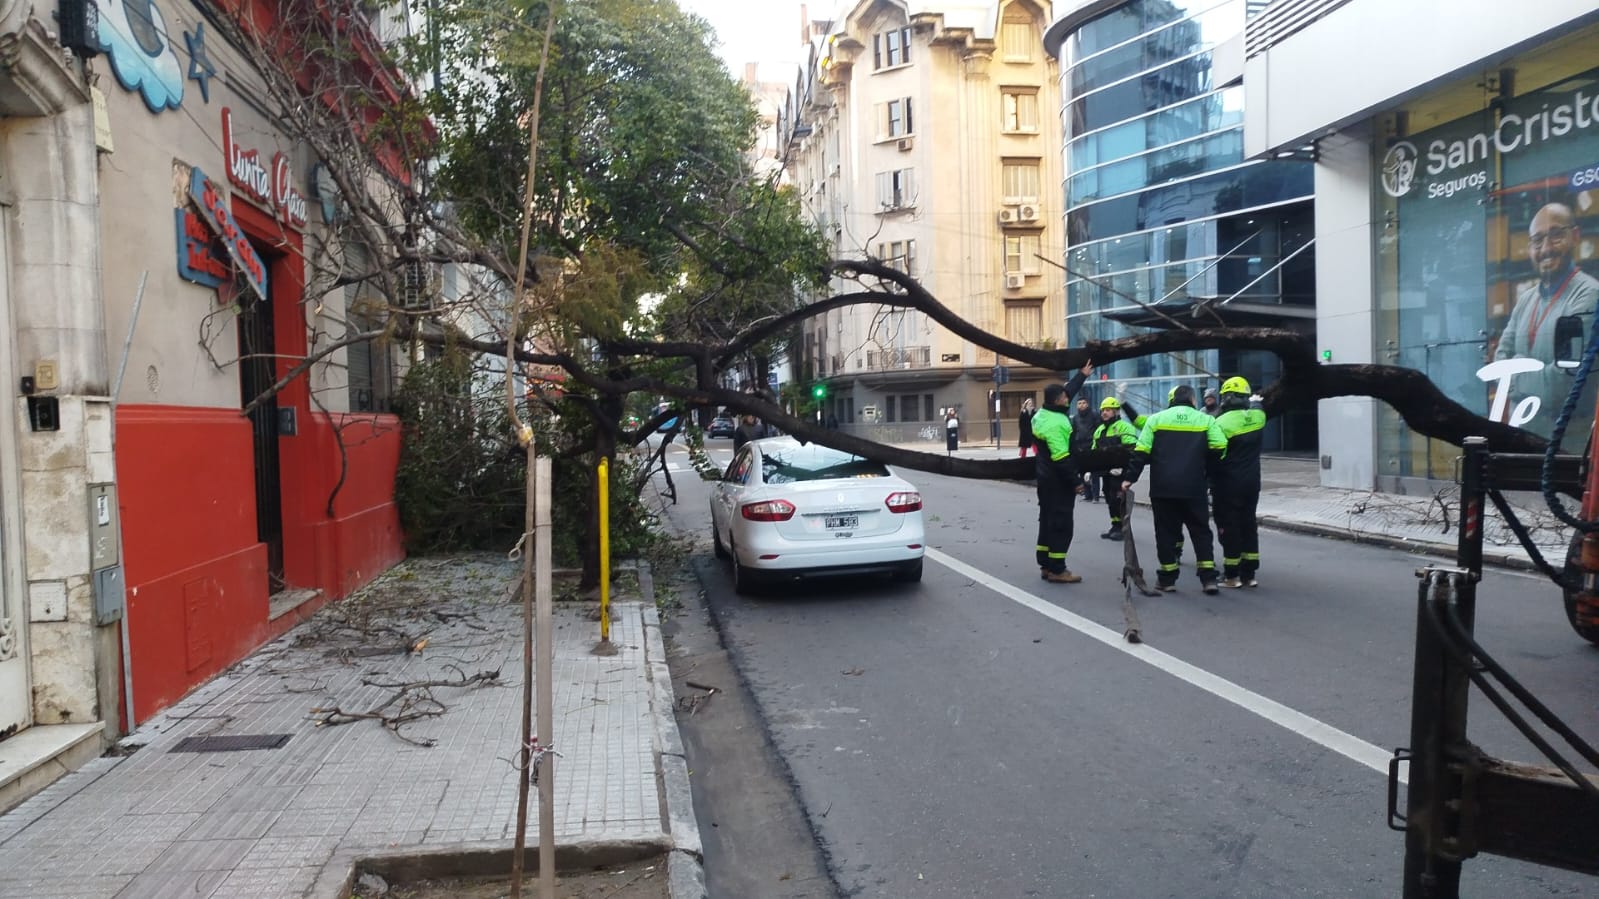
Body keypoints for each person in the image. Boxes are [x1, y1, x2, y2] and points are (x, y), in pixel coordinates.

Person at [1493, 202, 1599, 440]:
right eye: (1537, 240)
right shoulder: (1525, 301)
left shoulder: (1589, 296)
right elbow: (1499, 363)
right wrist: (1537, 373)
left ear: (1575, 236)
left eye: (1556, 235)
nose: (1546, 248)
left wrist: (1516, 369)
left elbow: (1564, 384)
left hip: (1566, 448)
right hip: (1521, 442)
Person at [1120, 385, 1227, 594]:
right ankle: (1208, 579)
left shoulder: (1156, 420)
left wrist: (1129, 479)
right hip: (1194, 487)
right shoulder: (1205, 420)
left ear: (1172, 400)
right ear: (1193, 400)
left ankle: (1167, 579)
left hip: (1163, 488)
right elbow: (1220, 445)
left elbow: (1141, 452)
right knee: (1201, 532)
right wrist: (1206, 470)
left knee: (1165, 533)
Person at [1210, 377, 1267, 588]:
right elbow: (1258, 407)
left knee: (1229, 527)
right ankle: (1249, 574)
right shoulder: (1258, 417)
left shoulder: (1220, 423)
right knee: (1248, 524)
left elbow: (1213, 455)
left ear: (1227, 398)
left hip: (1227, 484)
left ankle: (1231, 575)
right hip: (1252, 483)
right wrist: (1256, 402)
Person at [1030, 383, 1082, 583]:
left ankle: (1045, 564)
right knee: (1061, 524)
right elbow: (1060, 457)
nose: (1068, 399)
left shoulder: (1040, 415)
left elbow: (1067, 392)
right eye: (1064, 397)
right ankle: (1058, 569)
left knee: (1046, 521)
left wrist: (1082, 376)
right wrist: (1075, 481)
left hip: (1044, 479)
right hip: (1059, 481)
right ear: (1057, 400)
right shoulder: (1056, 423)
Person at [1092, 397, 1140, 541]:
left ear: (1116, 411)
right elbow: (1094, 451)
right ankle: (1115, 525)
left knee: (1118, 499)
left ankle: (1122, 528)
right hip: (1106, 471)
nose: (1104, 413)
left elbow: (1131, 449)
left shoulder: (1124, 427)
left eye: (1108, 410)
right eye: (1103, 410)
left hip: (1120, 471)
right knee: (1109, 498)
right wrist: (1089, 470)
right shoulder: (1099, 430)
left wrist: (1121, 466)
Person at [1070, 396, 1099, 502]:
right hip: (1080, 447)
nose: (1081, 405)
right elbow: (1073, 432)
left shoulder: (1094, 415)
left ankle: (1095, 495)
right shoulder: (1075, 418)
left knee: (1094, 472)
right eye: (1079, 403)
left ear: (1087, 404)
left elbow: (1098, 429)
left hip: (1092, 446)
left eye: (1083, 403)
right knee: (1082, 471)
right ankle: (1087, 495)